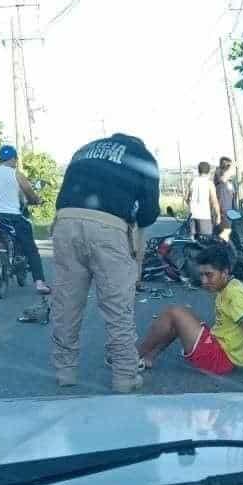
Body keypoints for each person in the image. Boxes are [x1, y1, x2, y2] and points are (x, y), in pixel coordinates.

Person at [51, 132, 160, 393]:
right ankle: (124, 377)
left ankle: (65, 372)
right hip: (108, 228)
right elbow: (149, 212)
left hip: (65, 221)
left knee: (66, 303)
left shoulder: (84, 148)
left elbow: (62, 195)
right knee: (117, 307)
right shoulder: (143, 157)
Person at [138, 242, 243, 391]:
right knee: (183, 314)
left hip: (221, 358)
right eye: (201, 275)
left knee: (173, 313)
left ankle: (132, 356)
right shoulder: (229, 285)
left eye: (209, 275)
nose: (204, 281)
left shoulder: (234, 295)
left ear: (225, 273)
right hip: (220, 346)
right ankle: (150, 356)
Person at [0, 144, 50, 296]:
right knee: (30, 248)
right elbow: (30, 194)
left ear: (0, 159)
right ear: (13, 159)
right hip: (13, 218)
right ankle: (39, 283)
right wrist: (37, 201)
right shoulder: (17, 174)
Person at [186, 161, 220, 238]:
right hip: (204, 216)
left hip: (192, 216)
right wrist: (218, 216)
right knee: (206, 242)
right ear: (209, 171)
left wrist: (192, 207)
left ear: (198, 170)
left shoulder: (192, 182)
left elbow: (187, 199)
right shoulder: (209, 183)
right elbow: (214, 201)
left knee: (193, 242)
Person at [214, 157, 236, 241]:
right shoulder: (222, 184)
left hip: (228, 215)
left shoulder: (228, 183)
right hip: (224, 216)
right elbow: (223, 206)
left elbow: (233, 199)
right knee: (224, 237)